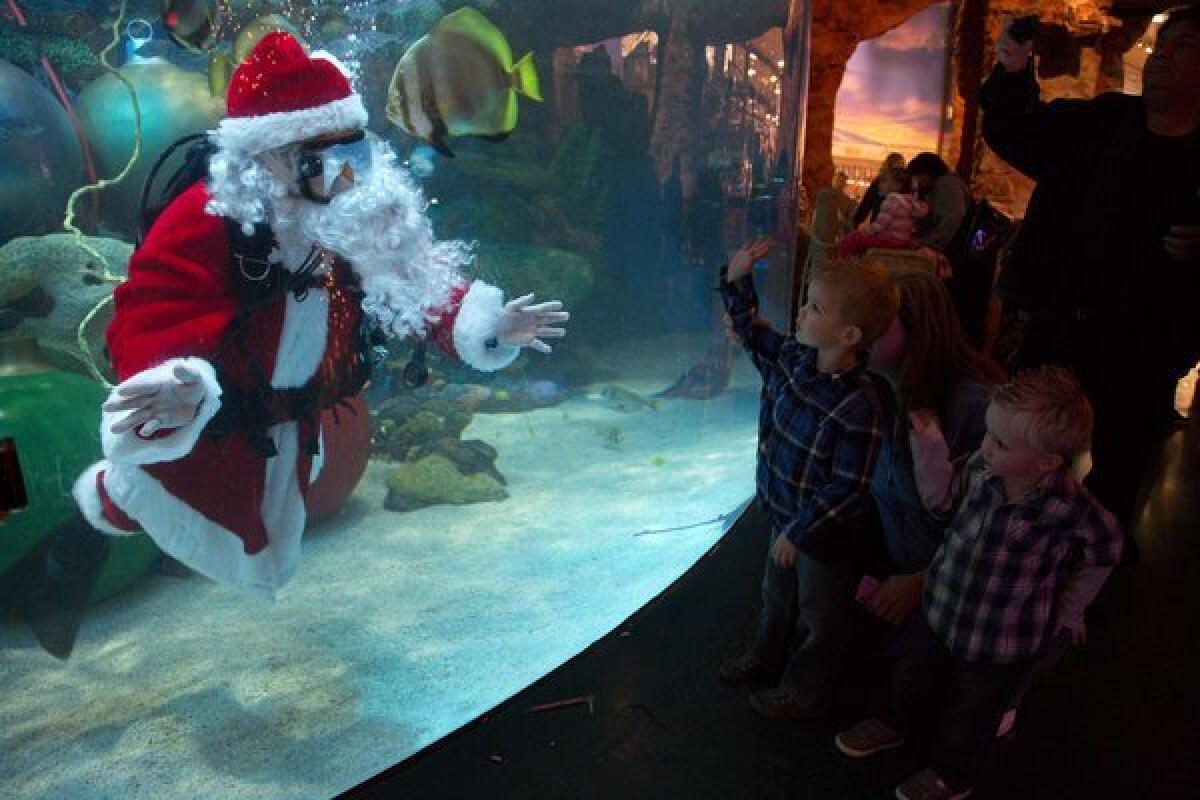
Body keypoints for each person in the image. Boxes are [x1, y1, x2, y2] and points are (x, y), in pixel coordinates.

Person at [22, 32, 570, 660]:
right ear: (270, 158)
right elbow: (149, 306)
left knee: (247, 523)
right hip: (215, 419)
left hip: (290, 419)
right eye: (322, 164)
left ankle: (74, 552)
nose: (345, 181)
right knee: (146, 493)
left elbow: (416, 281)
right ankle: (63, 564)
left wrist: (489, 324)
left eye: (354, 159)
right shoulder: (207, 217)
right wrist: (174, 379)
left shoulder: (354, 208)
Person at [835, 366, 1123, 800]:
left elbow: (1108, 547)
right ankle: (895, 723)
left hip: (1002, 640)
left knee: (974, 711)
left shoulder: (1068, 506)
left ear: (1047, 462)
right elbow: (940, 502)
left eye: (1000, 442)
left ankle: (951, 775)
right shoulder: (981, 469)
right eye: (988, 433)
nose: (984, 447)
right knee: (913, 675)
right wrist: (930, 449)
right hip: (940, 608)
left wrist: (1071, 608)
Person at [980, 5, 1200, 544]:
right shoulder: (1102, 123)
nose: (1159, 57)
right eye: (1159, 44)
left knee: (1118, 474)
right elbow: (1016, 134)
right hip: (1060, 324)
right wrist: (1011, 65)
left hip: (1146, 347)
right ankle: (998, 553)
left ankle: (1088, 575)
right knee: (1020, 446)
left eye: (1183, 46)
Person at [717, 238, 900, 720]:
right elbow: (750, 333)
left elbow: (849, 488)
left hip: (822, 538)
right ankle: (765, 655)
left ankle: (803, 690)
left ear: (849, 336)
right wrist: (737, 278)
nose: (800, 313)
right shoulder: (796, 358)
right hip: (783, 515)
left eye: (815, 307)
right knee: (774, 594)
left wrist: (800, 533)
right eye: (805, 301)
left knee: (821, 615)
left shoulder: (860, 407)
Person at [858, 266, 1005, 627]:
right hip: (888, 572)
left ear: (917, 329)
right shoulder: (875, 387)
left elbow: (998, 525)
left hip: (952, 593)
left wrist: (921, 582)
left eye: (878, 323)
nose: (860, 332)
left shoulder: (978, 407)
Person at [837, 168, 929, 257]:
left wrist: (863, 231)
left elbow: (879, 226)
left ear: (897, 185)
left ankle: (839, 262)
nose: (879, 185)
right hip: (902, 240)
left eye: (884, 181)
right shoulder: (910, 201)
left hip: (889, 240)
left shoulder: (892, 200)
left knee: (853, 238)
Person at [907, 153, 972, 255]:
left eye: (918, 176)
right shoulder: (940, 185)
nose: (917, 182)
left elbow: (951, 220)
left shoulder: (946, 185)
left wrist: (925, 244)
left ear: (928, 173)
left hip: (950, 252)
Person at [852, 152, 907, 229]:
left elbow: (867, 202)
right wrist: (858, 220)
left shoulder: (905, 183)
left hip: (888, 224)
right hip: (881, 221)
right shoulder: (880, 181)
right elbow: (867, 201)